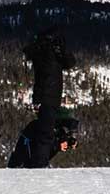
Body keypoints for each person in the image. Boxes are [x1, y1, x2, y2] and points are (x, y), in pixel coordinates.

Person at [9, 29, 76, 169]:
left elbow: (29, 51)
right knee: (45, 135)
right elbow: (70, 62)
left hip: (43, 97)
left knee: (44, 133)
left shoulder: (39, 51)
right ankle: (39, 167)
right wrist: (60, 48)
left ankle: (39, 164)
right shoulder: (53, 52)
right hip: (50, 98)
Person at [8, 108, 80, 169]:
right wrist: (57, 145)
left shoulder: (54, 129)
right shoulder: (40, 126)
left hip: (33, 166)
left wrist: (70, 142)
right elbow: (41, 145)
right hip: (23, 166)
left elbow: (56, 140)